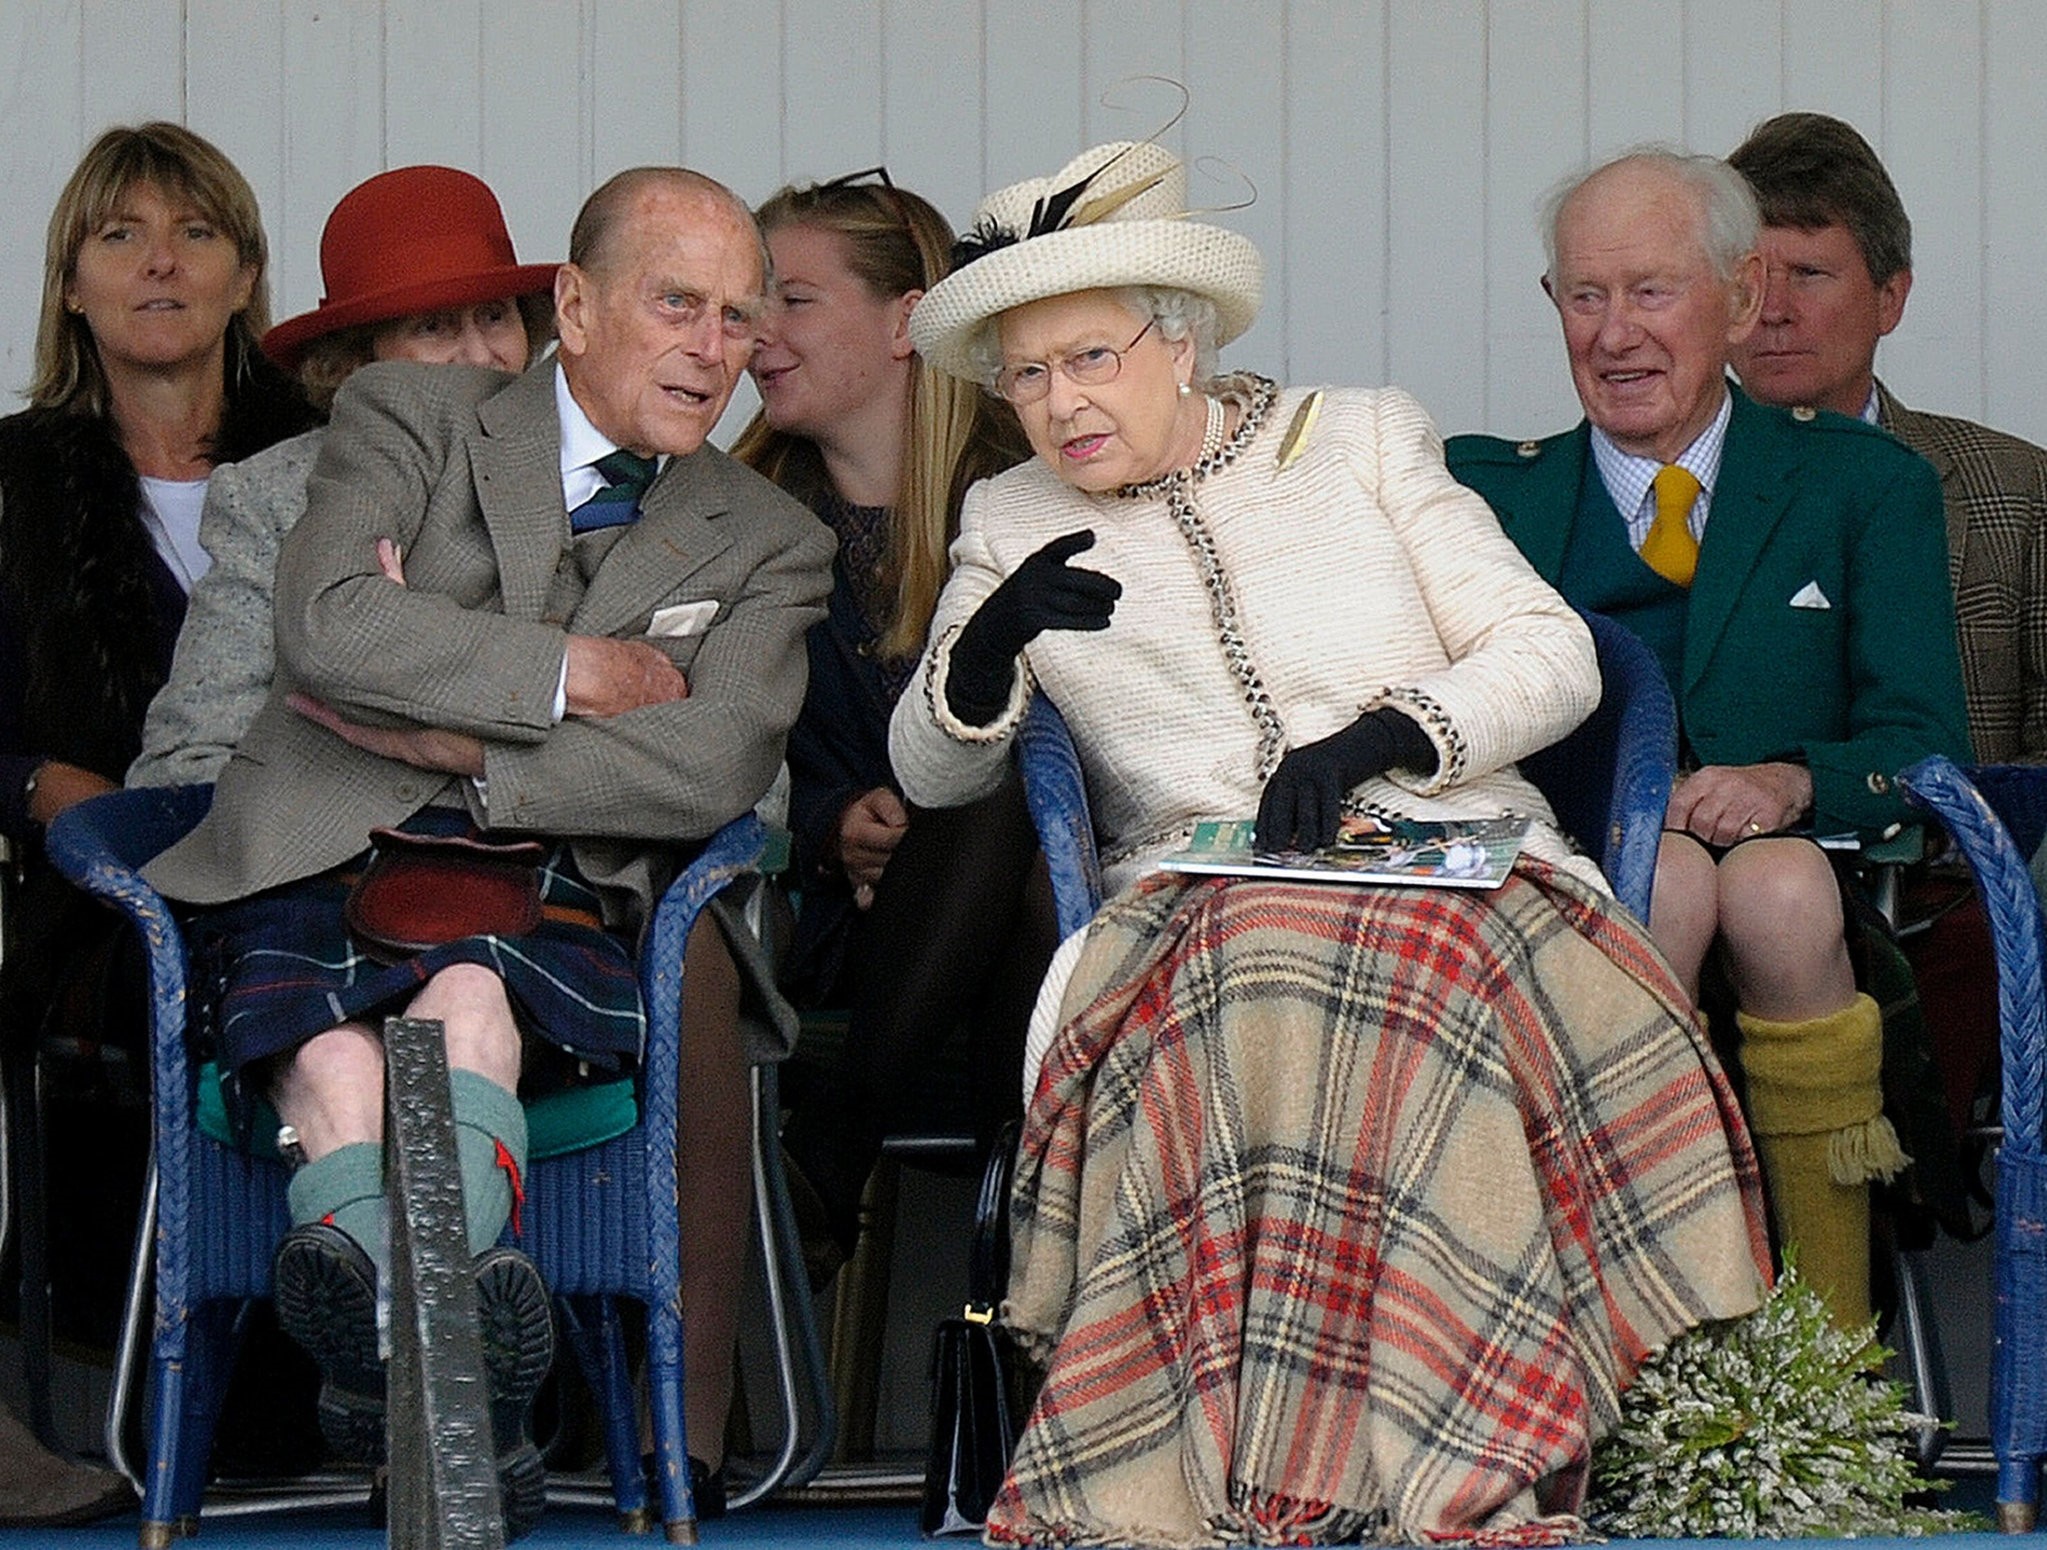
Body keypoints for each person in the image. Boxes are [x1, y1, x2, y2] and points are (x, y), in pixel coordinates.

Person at [890, 139, 1770, 1546]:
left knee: (1407, 978)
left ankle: (1442, 1463)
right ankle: (1279, 1474)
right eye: (1026, 375)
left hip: (1455, 867)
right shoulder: (1010, 517)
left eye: (1089, 358)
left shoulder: (1357, 436)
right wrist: (982, 646)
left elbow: (1553, 655)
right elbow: (928, 774)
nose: (1058, 402)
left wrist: (1384, 737)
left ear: (1178, 345)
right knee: (1259, 966)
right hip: (1198, 902)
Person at [141, 166, 834, 1534]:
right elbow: (331, 627)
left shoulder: (772, 540)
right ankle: (459, 1378)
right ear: (572, 306)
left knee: (468, 1007)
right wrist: (579, 672)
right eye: (677, 304)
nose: (713, 347)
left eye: (737, 319)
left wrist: (446, 730)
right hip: (314, 849)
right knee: (341, 1048)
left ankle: (389, 1337)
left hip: (548, 876)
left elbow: (710, 762)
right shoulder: (409, 413)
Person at [1446, 149, 1973, 1331]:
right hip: (1573, 883)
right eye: (1586, 296)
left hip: (1814, 871)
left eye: (1650, 291)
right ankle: (1658, 1328)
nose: (1614, 332)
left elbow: (1923, 744)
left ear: (1737, 299)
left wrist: (1793, 778)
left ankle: (1821, 1344)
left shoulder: (1860, 485)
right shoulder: (1485, 497)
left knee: (1780, 888)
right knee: (1671, 880)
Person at [0, 121, 316, 1522]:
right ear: (70, 284)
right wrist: (30, 784)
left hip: (314, 859)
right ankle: (173, 1403)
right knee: (142, 984)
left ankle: (345, 1384)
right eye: (118, 236)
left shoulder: (332, 459)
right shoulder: (11, 479)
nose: (158, 263)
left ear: (245, 274)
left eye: (192, 234)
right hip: (90, 889)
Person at [729, 171, 1046, 1274]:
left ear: (908, 317)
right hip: (826, 932)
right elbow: (708, 737)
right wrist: (826, 821)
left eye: (793, 298)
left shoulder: (1031, 494)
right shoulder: (728, 518)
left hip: (1033, 920)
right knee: (1001, 842)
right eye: (747, 300)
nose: (754, 331)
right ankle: (1017, 1320)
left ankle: (834, 1146)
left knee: (1003, 801)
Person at [130, 164, 557, 788]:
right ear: (357, 359)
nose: (478, 355)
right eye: (433, 326)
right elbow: (187, 758)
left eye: (495, 317)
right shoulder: (271, 498)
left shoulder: (585, 470)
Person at [1728, 111, 2047, 767]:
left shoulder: (2019, 492)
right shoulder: (1663, 491)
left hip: (1958, 867)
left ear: (1889, 297)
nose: (1773, 309)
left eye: (1808, 274)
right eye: (1749, 280)